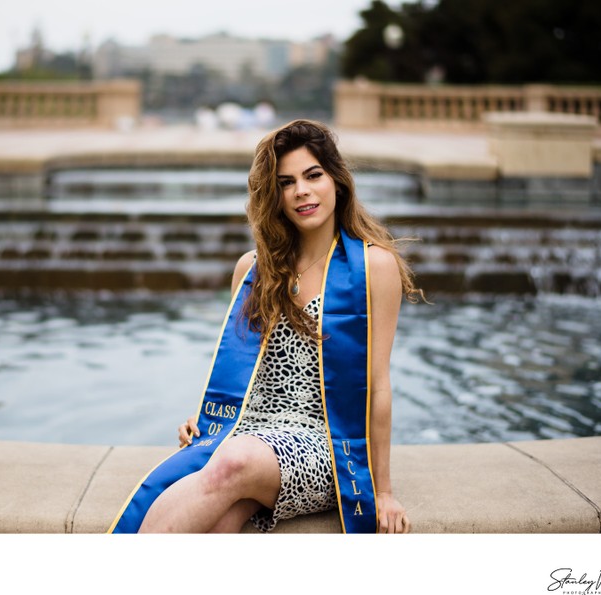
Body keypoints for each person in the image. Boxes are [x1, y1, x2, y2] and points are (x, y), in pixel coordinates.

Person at [112, 119, 422, 534]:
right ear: (273, 195)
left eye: (313, 175)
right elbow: (246, 372)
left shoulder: (373, 268)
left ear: (337, 181)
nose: (302, 191)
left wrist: (382, 491)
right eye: (286, 182)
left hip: (327, 445)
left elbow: (378, 384)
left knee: (234, 461)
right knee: (221, 523)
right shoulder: (251, 270)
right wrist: (206, 418)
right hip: (248, 433)